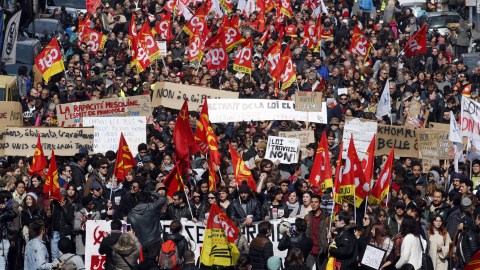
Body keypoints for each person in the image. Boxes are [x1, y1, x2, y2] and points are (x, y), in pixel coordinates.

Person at [305, 195, 329, 270]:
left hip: (321, 251)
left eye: (316, 202)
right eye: (312, 202)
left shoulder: (327, 218)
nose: (313, 204)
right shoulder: (307, 217)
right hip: (310, 250)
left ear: (320, 204)